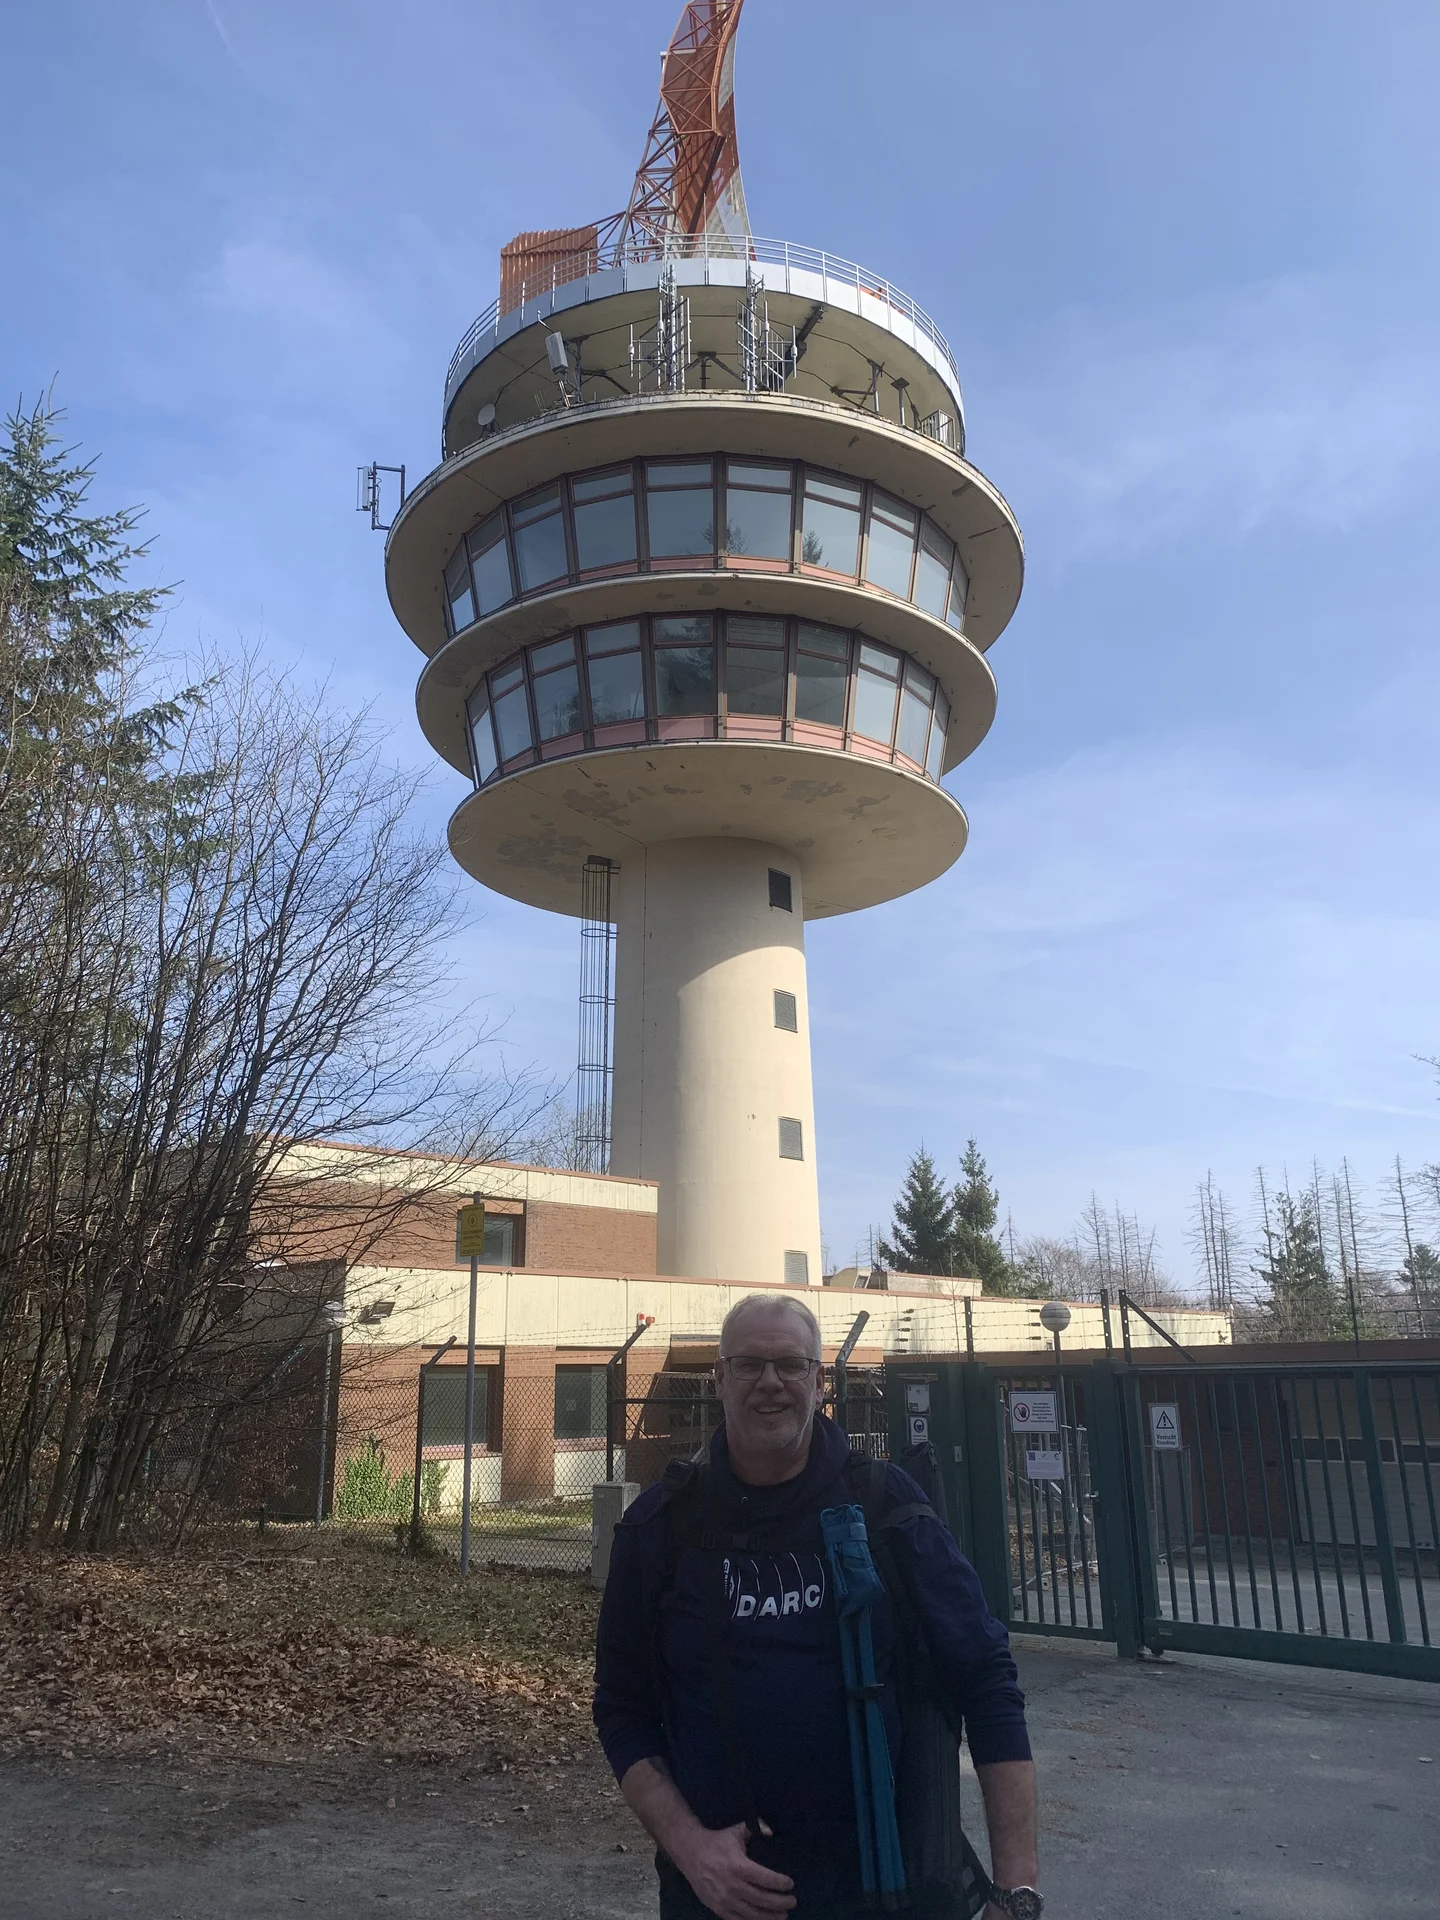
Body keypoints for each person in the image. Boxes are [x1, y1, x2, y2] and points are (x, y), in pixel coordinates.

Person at [593, 1293, 1042, 1920]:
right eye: (748, 1365)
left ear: (820, 1381)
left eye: (790, 1365)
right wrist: (689, 1846)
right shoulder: (662, 1527)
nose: (770, 1382)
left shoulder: (886, 1507)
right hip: (716, 1896)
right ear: (718, 1379)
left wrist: (1016, 1889)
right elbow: (622, 1705)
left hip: (884, 1891)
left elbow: (986, 1677)